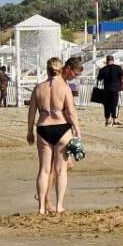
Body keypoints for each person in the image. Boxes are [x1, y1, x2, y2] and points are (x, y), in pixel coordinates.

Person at [27, 57, 80, 216]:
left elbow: (31, 113)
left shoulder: (38, 88)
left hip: (43, 128)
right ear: (60, 68)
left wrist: (29, 131)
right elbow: (71, 112)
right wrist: (77, 130)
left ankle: (41, 208)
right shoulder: (64, 87)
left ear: (47, 69)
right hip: (62, 128)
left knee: (43, 170)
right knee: (61, 170)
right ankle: (59, 206)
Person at [96, 55, 123, 126]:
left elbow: (99, 79)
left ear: (106, 61)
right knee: (114, 105)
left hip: (106, 89)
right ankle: (114, 120)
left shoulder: (103, 69)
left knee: (107, 105)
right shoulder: (118, 68)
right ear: (113, 60)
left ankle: (107, 121)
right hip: (115, 89)